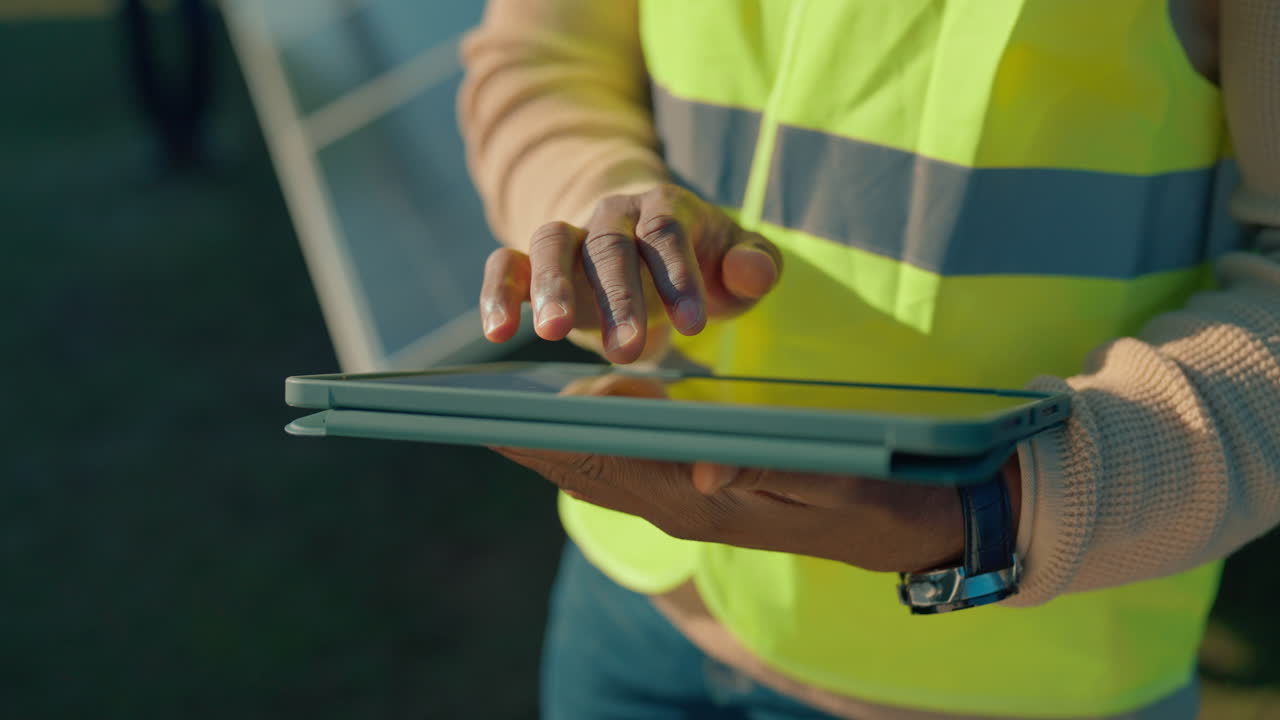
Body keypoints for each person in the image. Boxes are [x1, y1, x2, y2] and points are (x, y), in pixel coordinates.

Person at [457, 1, 1280, 717]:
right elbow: (540, 54)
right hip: (640, 597)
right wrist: (606, 226)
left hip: (1016, 678)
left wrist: (1000, 502)